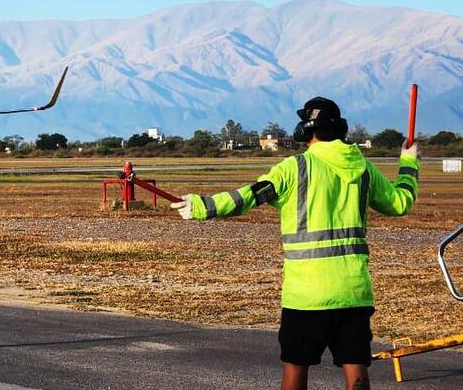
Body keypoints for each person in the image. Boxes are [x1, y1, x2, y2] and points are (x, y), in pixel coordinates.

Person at [170, 97, 420, 390]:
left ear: (307, 130)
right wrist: (409, 162)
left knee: (296, 368)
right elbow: (400, 202)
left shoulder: (294, 168)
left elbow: (249, 196)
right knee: (356, 368)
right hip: (353, 292)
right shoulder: (364, 169)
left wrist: (203, 206)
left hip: (306, 294)